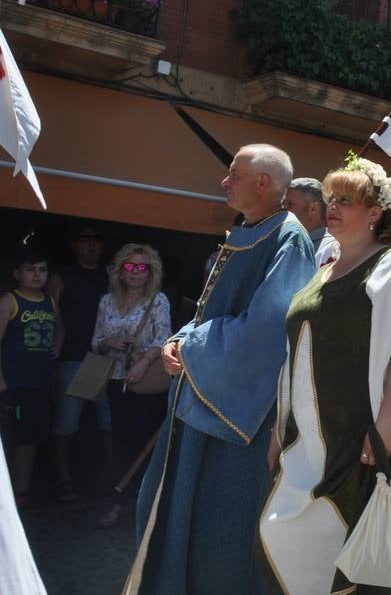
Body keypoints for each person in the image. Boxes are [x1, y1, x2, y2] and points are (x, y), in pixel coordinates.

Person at [126, 144, 315, 594]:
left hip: (236, 417)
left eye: (234, 174)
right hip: (200, 400)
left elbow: (268, 330)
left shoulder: (289, 239)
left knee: (221, 527)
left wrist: (190, 346)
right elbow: (210, 314)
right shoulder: (247, 231)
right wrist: (176, 340)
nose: (224, 182)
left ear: (264, 183)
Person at [258, 157, 391, 592]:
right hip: (306, 438)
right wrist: (279, 430)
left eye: (346, 201)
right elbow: (294, 353)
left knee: (360, 555)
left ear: (375, 212)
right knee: (280, 534)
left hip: (356, 436)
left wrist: (388, 421)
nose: (331, 207)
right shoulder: (321, 272)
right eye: (330, 198)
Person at [91, 245, 172, 529]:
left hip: (145, 379)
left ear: (150, 272)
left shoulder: (158, 301)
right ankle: (117, 500)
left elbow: (164, 337)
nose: (135, 273)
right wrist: (108, 343)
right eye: (130, 267)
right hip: (114, 378)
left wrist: (142, 363)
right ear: (120, 270)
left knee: (143, 441)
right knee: (118, 440)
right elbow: (96, 340)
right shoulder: (106, 301)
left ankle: (143, 502)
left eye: (142, 268)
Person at [49, 224, 113, 501]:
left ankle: (110, 477)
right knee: (66, 424)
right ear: (74, 245)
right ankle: (63, 478)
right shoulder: (61, 276)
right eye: (84, 239)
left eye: (96, 240)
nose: (91, 245)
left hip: (107, 360)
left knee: (109, 424)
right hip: (71, 358)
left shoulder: (112, 275)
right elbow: (49, 314)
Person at [0, 241, 57, 508]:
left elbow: (61, 330)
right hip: (13, 383)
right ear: (17, 274)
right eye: (30, 269)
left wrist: (55, 348)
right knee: (10, 436)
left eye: (42, 269)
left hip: (40, 383)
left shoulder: (49, 302)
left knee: (30, 439)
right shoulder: (9, 300)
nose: (37, 274)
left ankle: (20, 492)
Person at [284, 177, 338, 267]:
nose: (284, 210)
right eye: (283, 204)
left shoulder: (331, 248)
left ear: (313, 208)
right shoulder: (288, 242)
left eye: (290, 204)